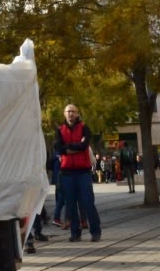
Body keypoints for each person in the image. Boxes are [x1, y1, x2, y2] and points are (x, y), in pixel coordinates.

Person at [54, 104, 102, 242]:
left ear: (77, 113)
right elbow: (58, 147)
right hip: (67, 172)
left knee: (88, 202)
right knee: (70, 204)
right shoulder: (60, 130)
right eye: (68, 112)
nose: (70, 114)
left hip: (83, 172)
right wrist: (75, 147)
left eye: (73, 111)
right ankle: (75, 233)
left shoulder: (84, 127)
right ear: (64, 114)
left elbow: (84, 145)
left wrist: (68, 147)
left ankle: (95, 231)